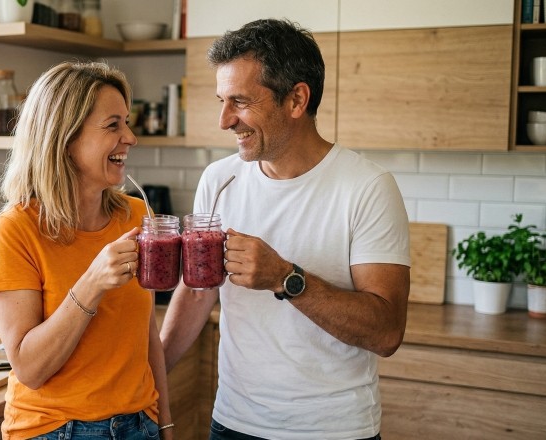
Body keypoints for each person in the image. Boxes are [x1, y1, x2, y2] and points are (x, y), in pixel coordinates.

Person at [160, 18, 411, 440]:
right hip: (232, 421)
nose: (224, 120)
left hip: (333, 431)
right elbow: (198, 289)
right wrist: (151, 374)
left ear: (296, 99)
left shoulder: (367, 187)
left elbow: (386, 332)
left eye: (239, 101)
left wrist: (284, 277)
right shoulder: (219, 180)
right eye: (222, 100)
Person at [0, 61, 173, 440]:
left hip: (141, 425)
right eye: (113, 125)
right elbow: (30, 369)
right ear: (65, 138)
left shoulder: (136, 216)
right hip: (55, 430)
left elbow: (145, 333)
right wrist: (92, 282)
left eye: (128, 122)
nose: (131, 137)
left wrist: (164, 421)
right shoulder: (15, 229)